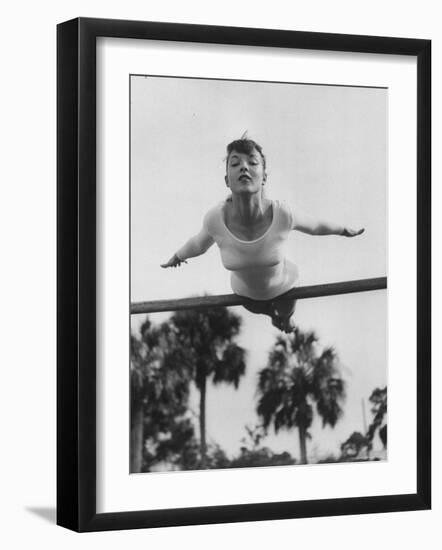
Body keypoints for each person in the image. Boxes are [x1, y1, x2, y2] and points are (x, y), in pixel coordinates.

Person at [161, 137, 364, 332]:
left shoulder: (282, 213)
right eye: (235, 163)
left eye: (252, 162)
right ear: (226, 180)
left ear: (264, 177)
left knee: (285, 313)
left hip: (285, 286)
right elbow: (198, 244)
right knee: (259, 308)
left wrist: (344, 230)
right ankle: (273, 317)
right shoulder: (215, 218)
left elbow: (316, 226)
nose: (244, 167)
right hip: (246, 294)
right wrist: (178, 256)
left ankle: (284, 319)